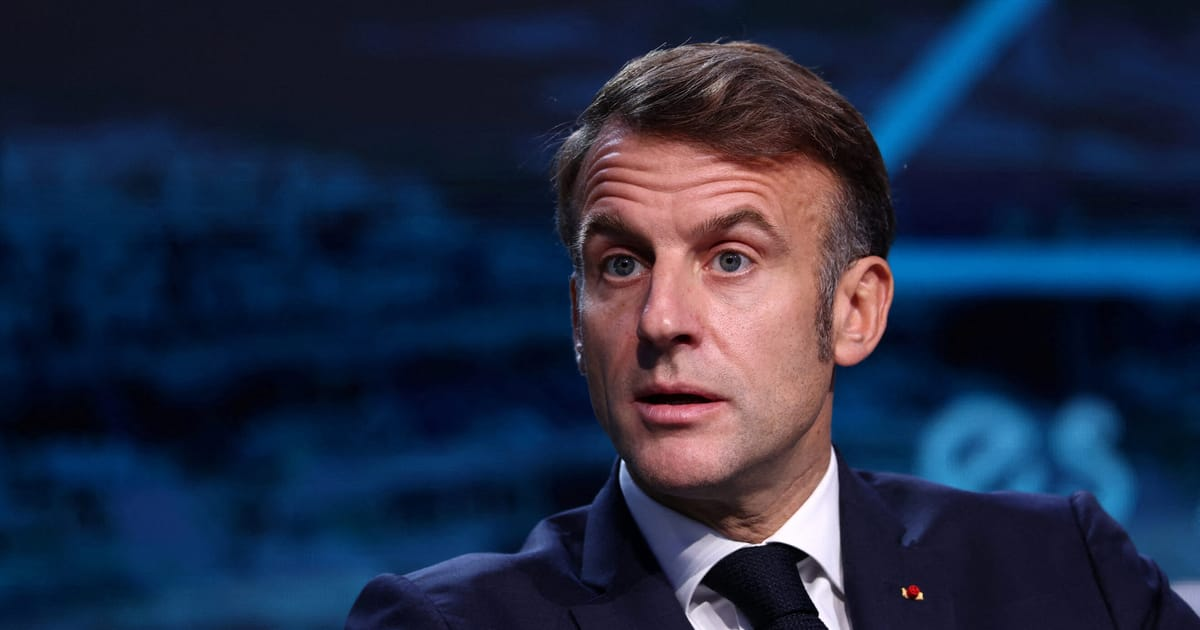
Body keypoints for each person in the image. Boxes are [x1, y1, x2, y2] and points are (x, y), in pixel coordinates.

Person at [346, 41, 1199, 629]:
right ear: (577, 318)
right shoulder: (449, 622)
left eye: (730, 260)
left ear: (855, 311)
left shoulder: (1066, 571)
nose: (662, 320)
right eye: (621, 265)